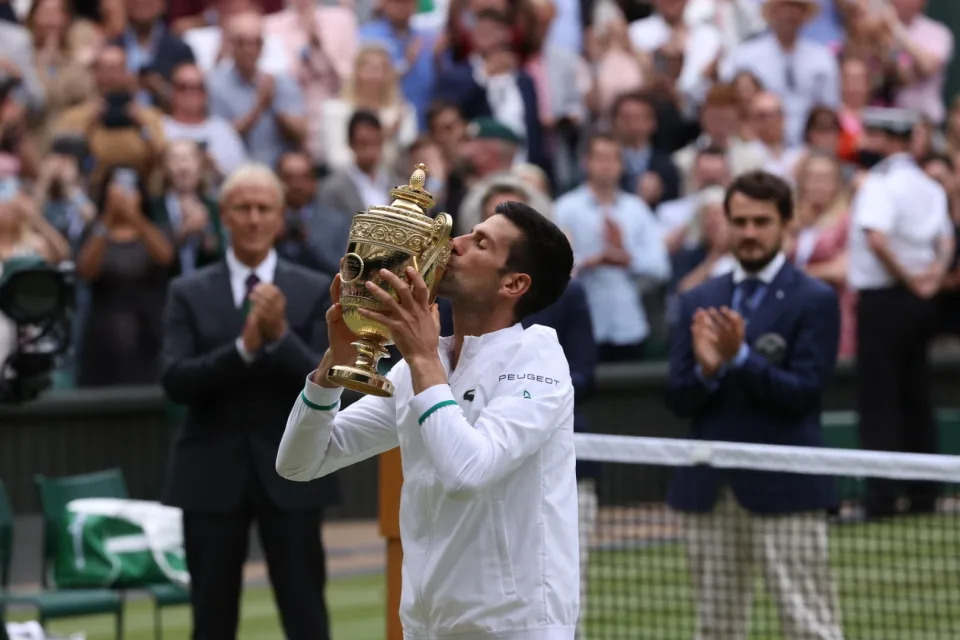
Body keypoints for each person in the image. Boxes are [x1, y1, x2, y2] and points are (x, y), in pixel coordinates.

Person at [277, 201, 580, 638]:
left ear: (514, 283)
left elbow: (468, 472)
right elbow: (299, 464)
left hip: (517, 626)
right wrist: (330, 371)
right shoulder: (422, 363)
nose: (452, 244)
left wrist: (420, 355)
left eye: (480, 243)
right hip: (427, 625)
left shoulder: (539, 360)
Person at [160, 163, 337, 639]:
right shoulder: (187, 291)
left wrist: (278, 337)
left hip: (293, 471)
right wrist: (242, 351)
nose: (255, 218)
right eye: (243, 208)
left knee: (307, 616)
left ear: (280, 217)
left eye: (264, 208)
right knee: (211, 620)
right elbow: (174, 380)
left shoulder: (314, 287)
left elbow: (328, 379)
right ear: (225, 216)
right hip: (210, 472)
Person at [666, 170, 843, 640]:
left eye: (761, 221)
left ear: (785, 223)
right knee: (717, 630)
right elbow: (679, 399)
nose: (748, 232)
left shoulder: (816, 299)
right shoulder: (697, 299)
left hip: (787, 487)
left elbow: (803, 393)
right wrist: (707, 371)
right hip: (709, 489)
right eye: (739, 221)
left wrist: (738, 359)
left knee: (809, 626)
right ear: (725, 223)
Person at [847, 107, 954, 518]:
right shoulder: (929, 186)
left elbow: (876, 239)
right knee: (916, 399)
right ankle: (924, 495)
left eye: (873, 135)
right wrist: (929, 280)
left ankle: (882, 499)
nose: (866, 143)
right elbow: (945, 241)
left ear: (890, 140)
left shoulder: (878, 183)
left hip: (886, 302)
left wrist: (911, 281)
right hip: (918, 305)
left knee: (880, 402)